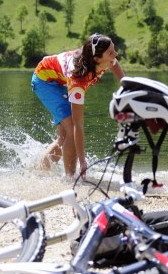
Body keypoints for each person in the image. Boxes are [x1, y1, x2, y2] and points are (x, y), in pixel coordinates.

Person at [31, 33, 125, 178]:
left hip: (60, 79)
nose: (115, 54)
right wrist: (83, 161)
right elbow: (78, 124)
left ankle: (39, 172)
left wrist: (127, 85)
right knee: (71, 129)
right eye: (111, 52)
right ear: (97, 59)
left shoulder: (100, 57)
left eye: (114, 49)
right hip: (45, 82)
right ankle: (71, 179)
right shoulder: (78, 80)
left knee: (63, 138)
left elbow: (114, 63)